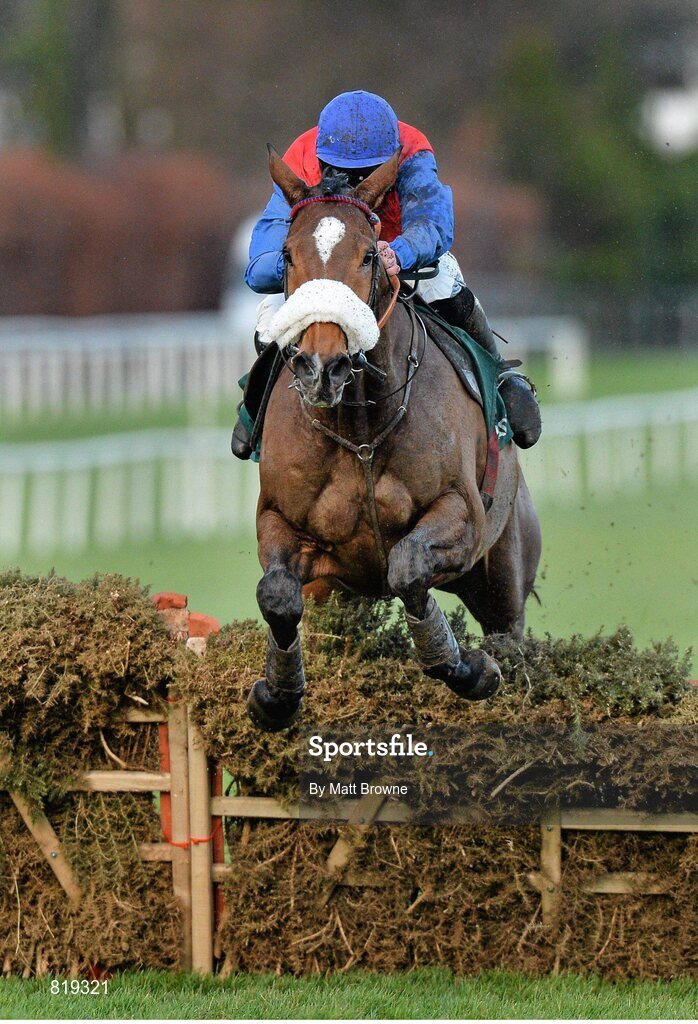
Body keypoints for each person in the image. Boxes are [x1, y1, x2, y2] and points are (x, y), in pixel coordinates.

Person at [231, 90, 541, 459]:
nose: (354, 180)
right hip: (323, 262)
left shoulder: (411, 151)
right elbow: (259, 266)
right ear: (321, 158)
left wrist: (398, 253)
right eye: (342, 172)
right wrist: (307, 263)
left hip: (389, 251)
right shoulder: (299, 158)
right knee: (269, 319)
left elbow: (434, 225)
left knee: (447, 284)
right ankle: (257, 410)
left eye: (367, 173)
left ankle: (500, 378)